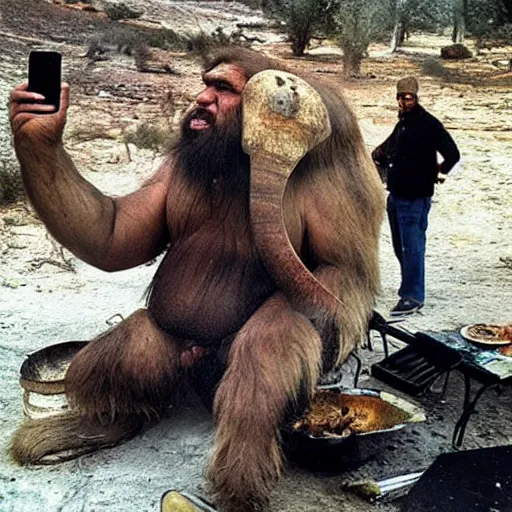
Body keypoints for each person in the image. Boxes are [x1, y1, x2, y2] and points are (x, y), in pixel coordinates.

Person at [9, 47, 384, 511]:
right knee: (106, 362)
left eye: (223, 88)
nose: (201, 98)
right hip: (175, 334)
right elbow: (108, 237)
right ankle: (128, 413)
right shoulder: (189, 165)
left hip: (259, 341)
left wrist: (281, 330)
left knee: (262, 352)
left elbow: (345, 278)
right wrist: (42, 151)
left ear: (272, 105)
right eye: (205, 84)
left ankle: (239, 494)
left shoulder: (317, 174)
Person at [372, 76, 460, 317]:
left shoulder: (428, 124)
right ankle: (408, 289)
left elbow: (453, 154)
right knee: (402, 248)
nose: (404, 101)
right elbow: (387, 148)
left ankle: (413, 297)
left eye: (408, 97)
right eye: (400, 97)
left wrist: (439, 174)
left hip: (415, 199)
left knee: (413, 248)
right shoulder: (404, 123)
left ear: (416, 97)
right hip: (396, 196)